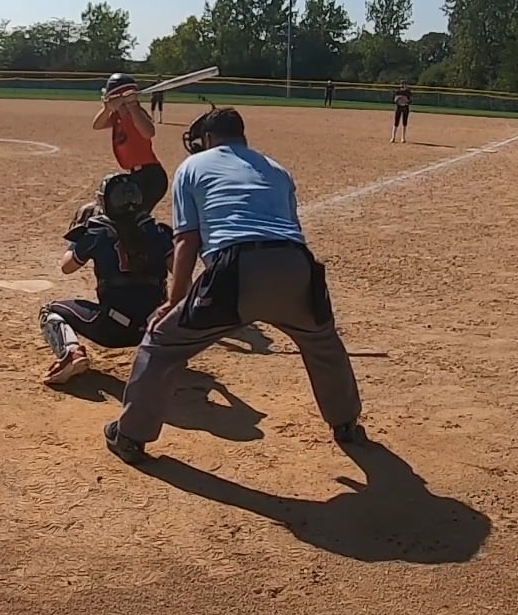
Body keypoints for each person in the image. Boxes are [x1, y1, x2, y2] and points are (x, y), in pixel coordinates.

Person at [104, 107, 362, 465]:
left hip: (235, 270)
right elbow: (291, 229)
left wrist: (174, 300)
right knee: (323, 343)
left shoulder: (192, 167)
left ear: (209, 138)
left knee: (162, 343)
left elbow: (186, 240)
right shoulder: (277, 170)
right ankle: (346, 422)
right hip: (296, 265)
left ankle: (130, 435)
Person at [39, 173, 174, 385]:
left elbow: (67, 267)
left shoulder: (98, 233)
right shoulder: (158, 232)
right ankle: (168, 350)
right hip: (154, 328)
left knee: (49, 310)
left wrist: (79, 237)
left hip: (112, 329)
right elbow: (181, 273)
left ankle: (71, 354)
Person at [92, 73, 167, 210]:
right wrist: (107, 109)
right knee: (129, 214)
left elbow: (149, 132)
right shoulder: (117, 116)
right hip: (135, 175)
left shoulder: (136, 114)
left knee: (134, 215)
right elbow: (97, 125)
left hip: (150, 177)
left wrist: (132, 105)